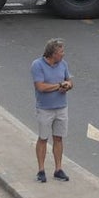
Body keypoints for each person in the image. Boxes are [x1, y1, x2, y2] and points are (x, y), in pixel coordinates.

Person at [32, 38, 73, 183]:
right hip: (45, 109)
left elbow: (69, 81)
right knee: (43, 138)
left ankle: (58, 169)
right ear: (53, 54)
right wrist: (59, 85)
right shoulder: (37, 65)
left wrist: (67, 85)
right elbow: (40, 87)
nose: (63, 54)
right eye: (61, 52)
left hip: (61, 108)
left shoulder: (63, 64)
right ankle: (41, 170)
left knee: (58, 138)